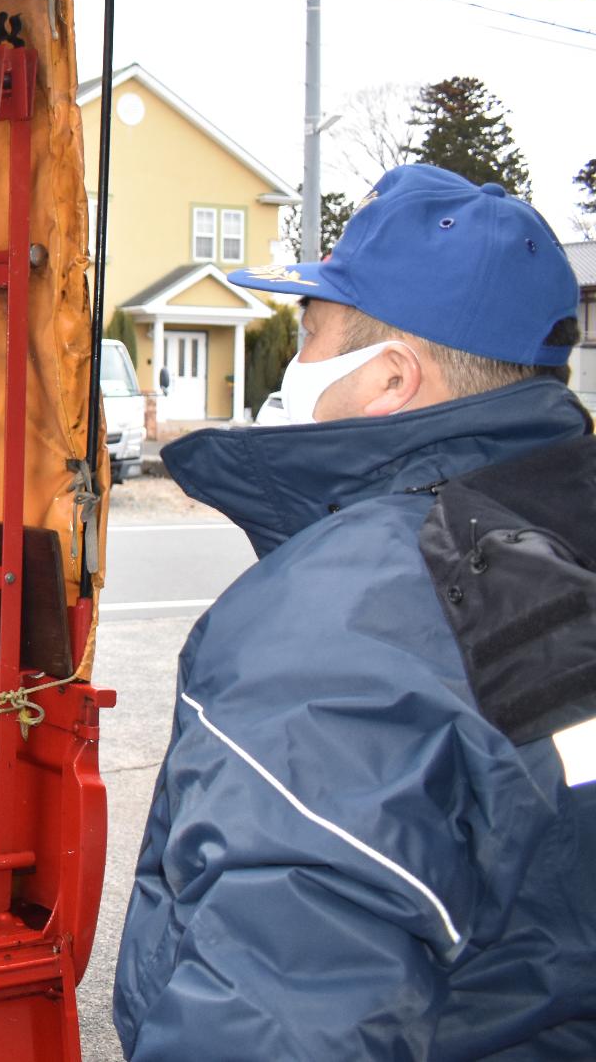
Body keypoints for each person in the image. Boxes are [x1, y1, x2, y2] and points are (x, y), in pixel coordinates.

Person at [113, 164, 596, 1059]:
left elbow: (278, 1021)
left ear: (390, 379)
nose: (295, 362)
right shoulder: (559, 533)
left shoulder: (349, 616)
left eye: (310, 331)